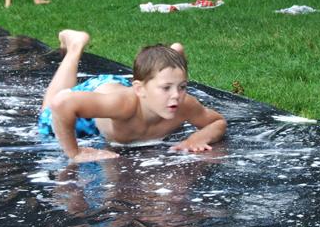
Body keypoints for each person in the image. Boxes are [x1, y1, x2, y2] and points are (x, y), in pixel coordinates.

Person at [39, 30, 227, 163]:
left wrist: (198, 138)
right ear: (140, 89)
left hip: (134, 88)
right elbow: (61, 103)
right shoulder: (123, 106)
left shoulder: (184, 105)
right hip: (102, 94)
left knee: (162, 81)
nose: (176, 96)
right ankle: (75, 47)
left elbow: (217, 122)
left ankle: (171, 57)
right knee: (47, 119)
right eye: (166, 88)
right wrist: (75, 153)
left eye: (182, 87)